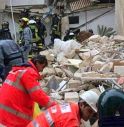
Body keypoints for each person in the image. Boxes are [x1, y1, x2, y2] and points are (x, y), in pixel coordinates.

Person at [0, 55, 57, 127]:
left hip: (3, 112)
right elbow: (37, 95)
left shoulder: (19, 70)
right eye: (42, 67)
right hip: (12, 117)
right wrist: (54, 106)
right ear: (37, 63)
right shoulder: (29, 73)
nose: (42, 70)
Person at [27, 88, 100, 127]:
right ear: (82, 105)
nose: (90, 116)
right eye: (89, 111)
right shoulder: (71, 120)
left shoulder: (70, 106)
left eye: (93, 114)